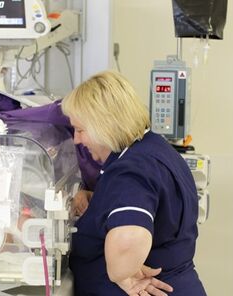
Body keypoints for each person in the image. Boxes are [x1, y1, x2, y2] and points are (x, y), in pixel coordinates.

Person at [64, 71, 206, 296]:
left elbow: (129, 237)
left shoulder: (131, 170)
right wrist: (96, 204)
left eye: (81, 130)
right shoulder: (153, 148)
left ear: (105, 126)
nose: (77, 139)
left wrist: (123, 274)